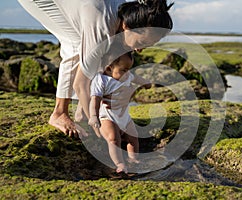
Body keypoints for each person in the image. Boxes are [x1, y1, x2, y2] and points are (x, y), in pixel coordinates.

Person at [18, 0, 174, 138]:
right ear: (126, 26)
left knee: (92, 49)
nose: (140, 50)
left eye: (148, 46)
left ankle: (80, 113)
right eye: (142, 42)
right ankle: (59, 113)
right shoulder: (102, 27)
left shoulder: (127, 13)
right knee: (75, 44)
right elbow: (80, 84)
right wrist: (97, 122)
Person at [88, 52, 152, 174]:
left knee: (133, 137)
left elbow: (136, 78)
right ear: (108, 68)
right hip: (107, 117)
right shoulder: (101, 80)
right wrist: (93, 116)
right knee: (113, 140)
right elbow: (95, 100)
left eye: (129, 69)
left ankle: (133, 158)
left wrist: (146, 83)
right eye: (123, 70)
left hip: (125, 118)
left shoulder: (127, 76)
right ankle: (120, 163)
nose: (127, 73)